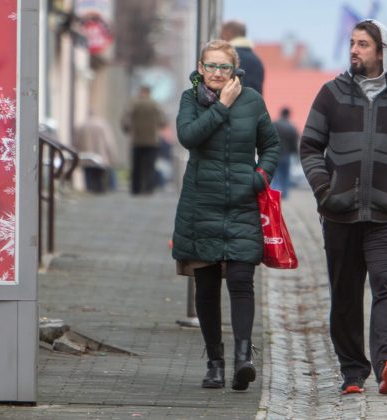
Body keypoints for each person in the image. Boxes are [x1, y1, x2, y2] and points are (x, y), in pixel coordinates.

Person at [300, 20, 387, 395]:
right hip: (339, 214)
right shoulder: (331, 94)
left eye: (362, 44)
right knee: (344, 296)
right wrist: (324, 191)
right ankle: (352, 372)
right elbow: (309, 147)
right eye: (352, 43)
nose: (354, 50)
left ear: (382, 51)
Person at [171, 39, 279, 391]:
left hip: (242, 204)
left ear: (235, 70)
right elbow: (188, 137)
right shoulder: (191, 99)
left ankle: (243, 359)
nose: (217, 73)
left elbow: (271, 145)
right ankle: (214, 364)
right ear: (200, 68)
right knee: (206, 286)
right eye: (211, 66)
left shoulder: (253, 101)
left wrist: (260, 177)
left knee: (241, 280)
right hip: (201, 204)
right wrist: (221, 106)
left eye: (224, 67)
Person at [121, 85, 166, 195]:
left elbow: (125, 120)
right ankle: (148, 188)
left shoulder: (133, 104)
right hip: (152, 141)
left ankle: (136, 189)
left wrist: (127, 129)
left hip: (137, 140)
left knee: (136, 166)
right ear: (149, 93)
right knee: (150, 166)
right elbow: (162, 121)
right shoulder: (155, 104)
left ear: (140, 92)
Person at [73, 112, 118, 193]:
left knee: (89, 184)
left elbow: (76, 143)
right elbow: (109, 143)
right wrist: (112, 157)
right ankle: (100, 192)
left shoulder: (82, 126)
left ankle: (90, 194)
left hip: (87, 158)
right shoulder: (103, 125)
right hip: (101, 158)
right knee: (100, 181)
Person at [220, 20, 265, 95]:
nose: (220, 38)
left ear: (228, 33)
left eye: (221, 34)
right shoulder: (256, 60)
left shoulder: (227, 56)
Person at [271, 107, 299, 199]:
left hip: (275, 154)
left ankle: (275, 193)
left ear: (281, 113)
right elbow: (294, 143)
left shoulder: (274, 125)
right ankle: (285, 194)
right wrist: (295, 155)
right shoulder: (292, 127)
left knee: (276, 175)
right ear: (288, 115)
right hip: (287, 155)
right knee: (285, 175)